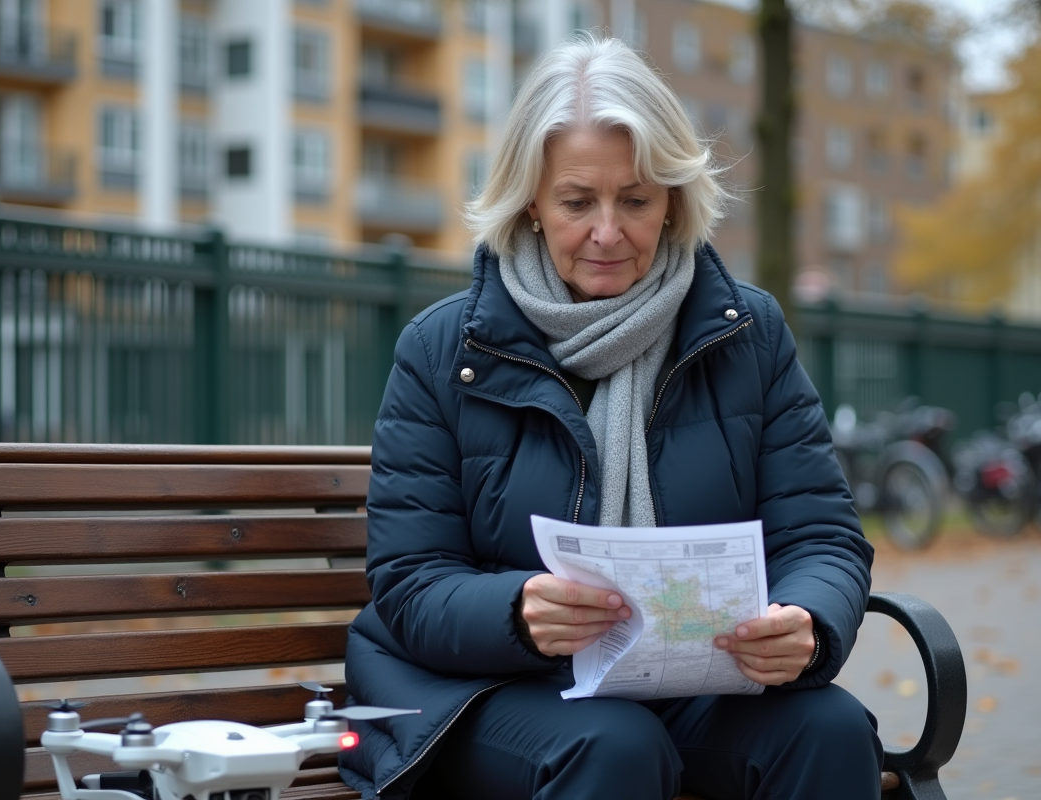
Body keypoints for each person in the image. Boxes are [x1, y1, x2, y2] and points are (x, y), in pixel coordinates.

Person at [339, 34, 882, 800]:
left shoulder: (745, 332)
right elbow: (410, 581)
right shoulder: (441, 348)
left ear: (672, 201)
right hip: (477, 689)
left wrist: (809, 622)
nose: (607, 231)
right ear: (531, 199)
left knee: (828, 727)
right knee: (614, 746)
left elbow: (820, 533)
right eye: (576, 201)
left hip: (692, 681)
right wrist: (517, 612)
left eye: (634, 200)